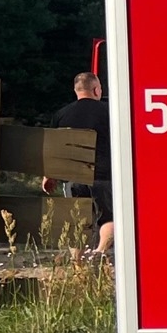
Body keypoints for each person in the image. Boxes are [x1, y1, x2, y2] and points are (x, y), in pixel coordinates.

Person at [51, 72, 114, 257]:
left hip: (74, 177)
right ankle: (99, 254)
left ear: (76, 90)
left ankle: (78, 266)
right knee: (108, 219)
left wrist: (49, 175)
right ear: (96, 89)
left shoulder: (61, 114)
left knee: (77, 222)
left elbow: (54, 148)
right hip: (104, 176)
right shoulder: (111, 112)